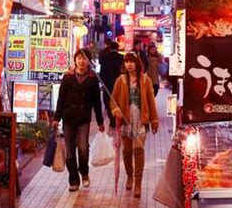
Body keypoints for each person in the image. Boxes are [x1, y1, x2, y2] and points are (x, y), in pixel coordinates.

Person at [53, 48, 104, 192]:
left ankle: (84, 172)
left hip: (83, 118)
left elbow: (97, 102)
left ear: (89, 61)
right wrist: (57, 117)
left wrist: (100, 121)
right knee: (70, 151)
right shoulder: (68, 77)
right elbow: (61, 98)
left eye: (84, 58)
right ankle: (73, 180)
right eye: (79, 58)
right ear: (75, 60)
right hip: (68, 117)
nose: (81, 61)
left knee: (83, 148)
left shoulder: (93, 79)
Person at [111, 52, 159, 197]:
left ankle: (138, 182)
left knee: (138, 149)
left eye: (132, 61)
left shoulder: (145, 80)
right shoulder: (120, 80)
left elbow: (151, 101)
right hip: (126, 121)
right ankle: (129, 176)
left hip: (140, 120)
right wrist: (115, 109)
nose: (129, 64)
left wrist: (154, 120)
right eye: (126, 62)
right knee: (126, 151)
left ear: (137, 63)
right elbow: (112, 100)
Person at [99, 41, 124, 128]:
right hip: (120, 83)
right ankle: (119, 118)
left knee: (108, 101)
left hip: (107, 84)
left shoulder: (105, 58)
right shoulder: (122, 58)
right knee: (118, 101)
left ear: (109, 48)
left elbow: (102, 72)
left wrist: (102, 82)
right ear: (117, 48)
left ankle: (112, 120)